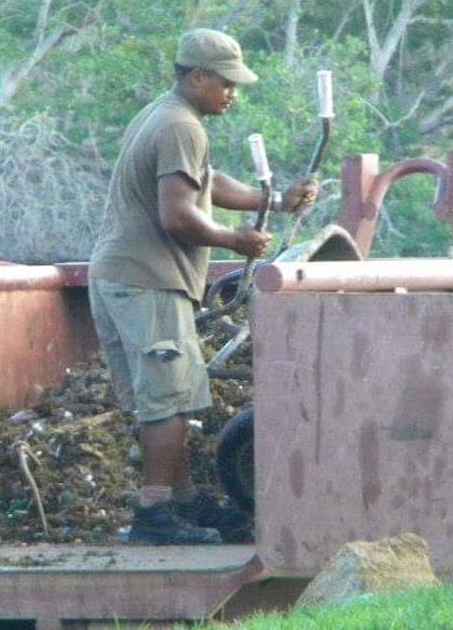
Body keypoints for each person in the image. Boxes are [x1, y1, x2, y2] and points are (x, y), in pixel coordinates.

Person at [89, 28, 319, 544]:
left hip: (127, 277)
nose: (232, 93)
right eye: (226, 83)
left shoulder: (166, 115)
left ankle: (183, 501)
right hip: (147, 281)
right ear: (196, 78)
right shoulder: (180, 126)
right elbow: (177, 215)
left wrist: (278, 201)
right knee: (167, 403)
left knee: (165, 399)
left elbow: (206, 184)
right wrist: (235, 241)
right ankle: (154, 517)